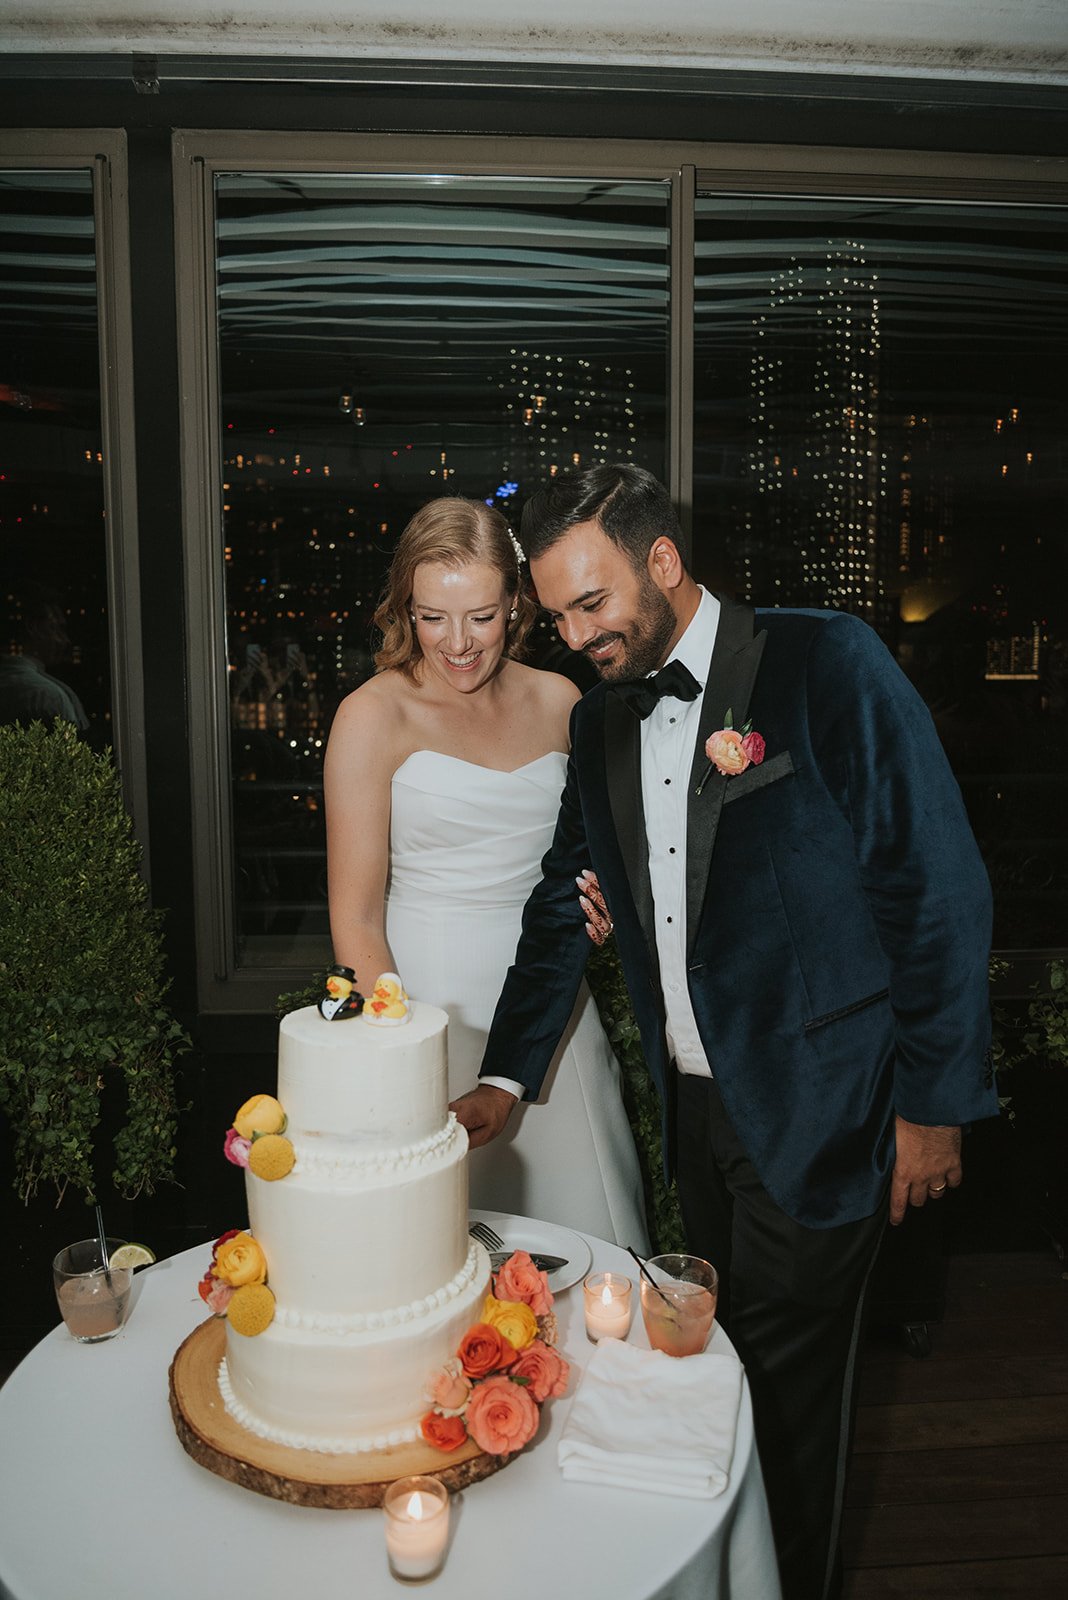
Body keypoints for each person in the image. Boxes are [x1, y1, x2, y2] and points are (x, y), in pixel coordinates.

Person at [452, 463, 997, 1600]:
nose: (573, 634)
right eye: (555, 615)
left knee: (792, 1415)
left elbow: (934, 886)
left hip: (826, 1105)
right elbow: (569, 900)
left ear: (662, 561)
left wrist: (934, 1108)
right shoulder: (601, 721)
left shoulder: (825, 660)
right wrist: (504, 1074)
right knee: (711, 1378)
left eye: (590, 604)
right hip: (696, 1119)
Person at [323, 494, 648, 1248]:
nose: (459, 643)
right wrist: (406, 1064)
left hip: (551, 1020)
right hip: (422, 1010)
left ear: (518, 605)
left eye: (482, 615)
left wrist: (608, 900)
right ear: (406, 609)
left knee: (583, 1248)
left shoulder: (565, 700)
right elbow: (356, 920)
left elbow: (591, 857)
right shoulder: (373, 716)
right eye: (433, 616)